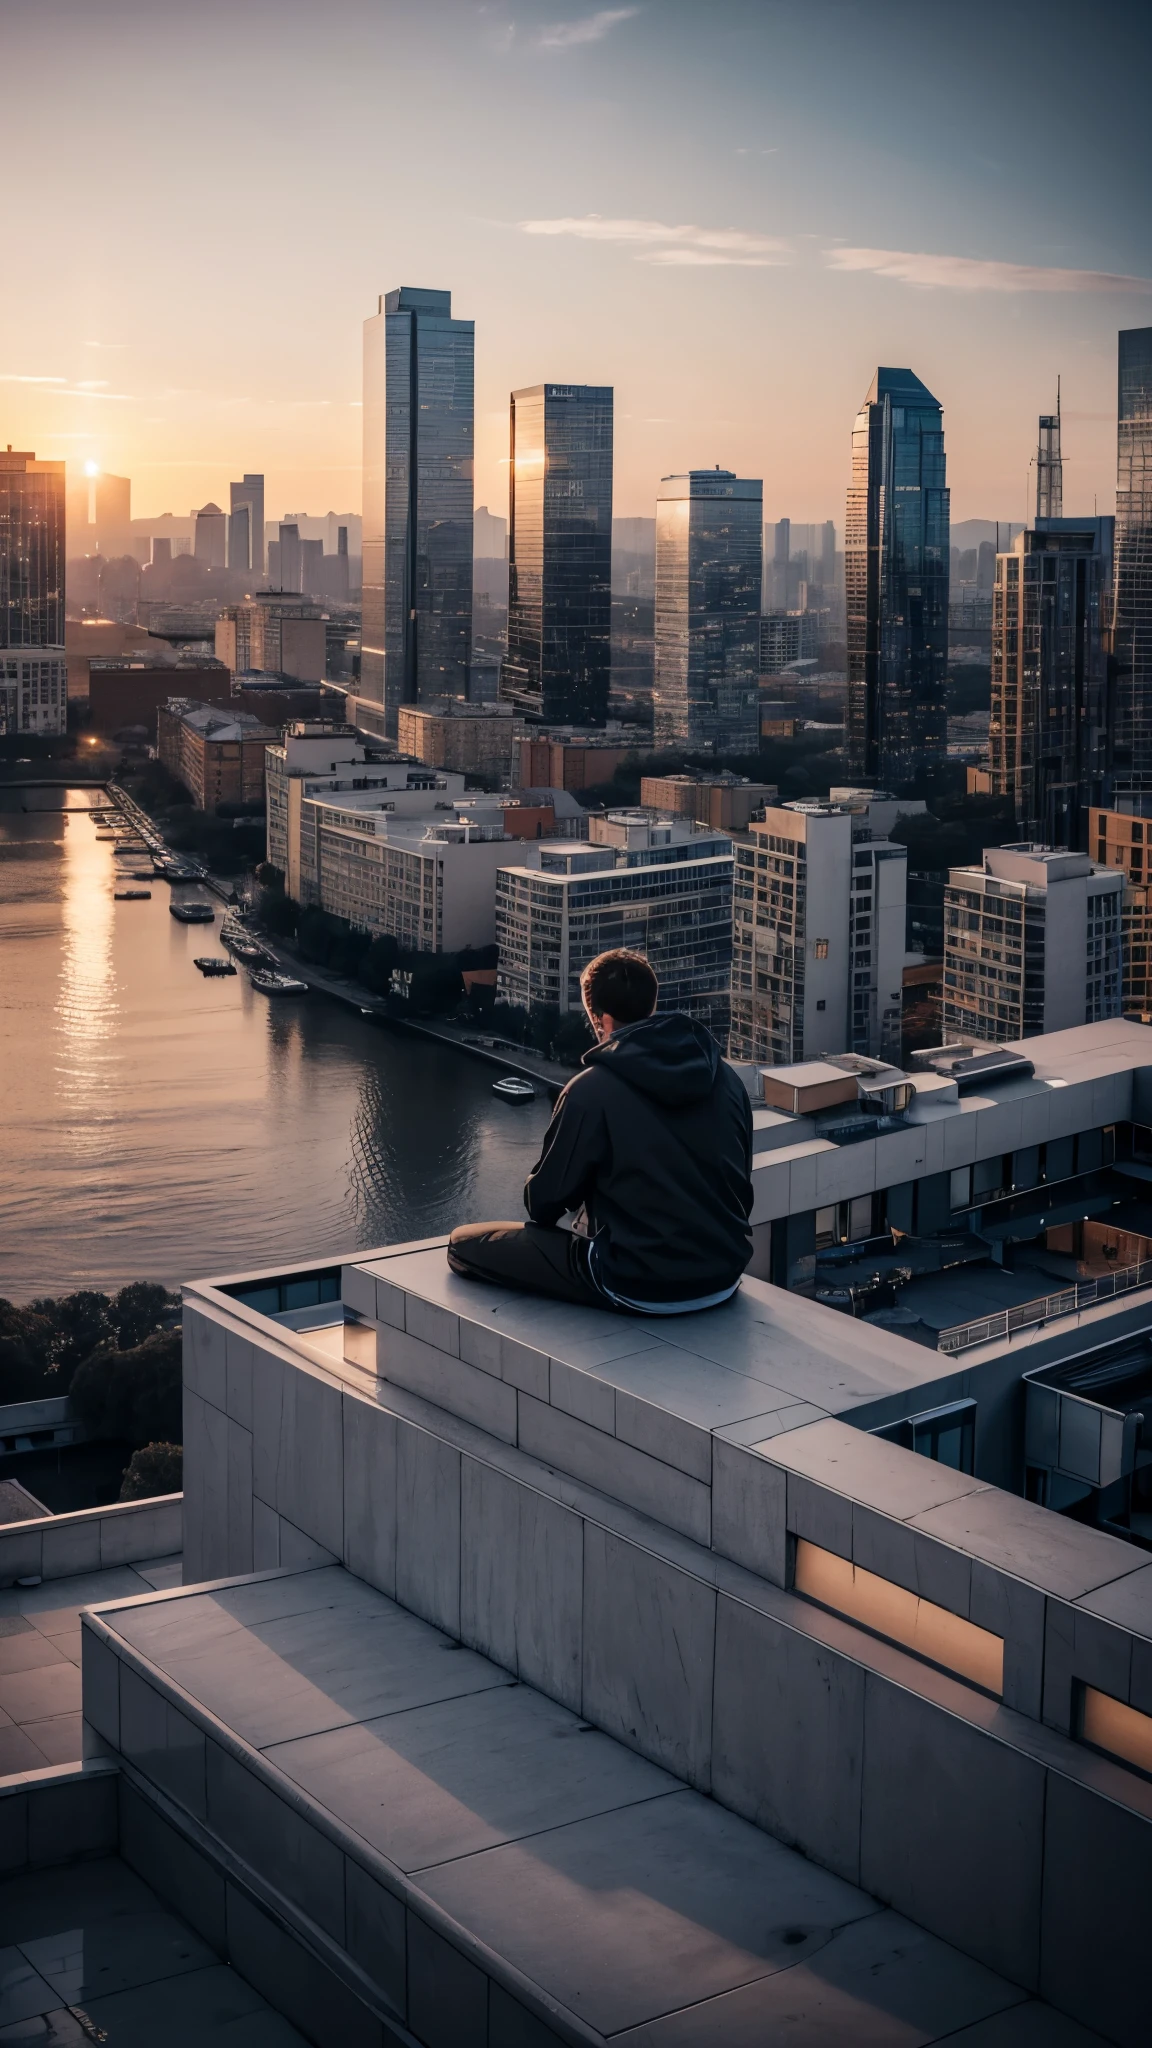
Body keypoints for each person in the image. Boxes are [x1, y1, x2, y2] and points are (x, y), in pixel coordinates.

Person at [447, 949, 754, 1314]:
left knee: (465, 1244)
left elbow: (543, 1204)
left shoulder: (591, 1090)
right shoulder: (727, 1079)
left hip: (636, 1282)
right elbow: (739, 1180)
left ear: (600, 1019)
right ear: (651, 1005)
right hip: (723, 1276)